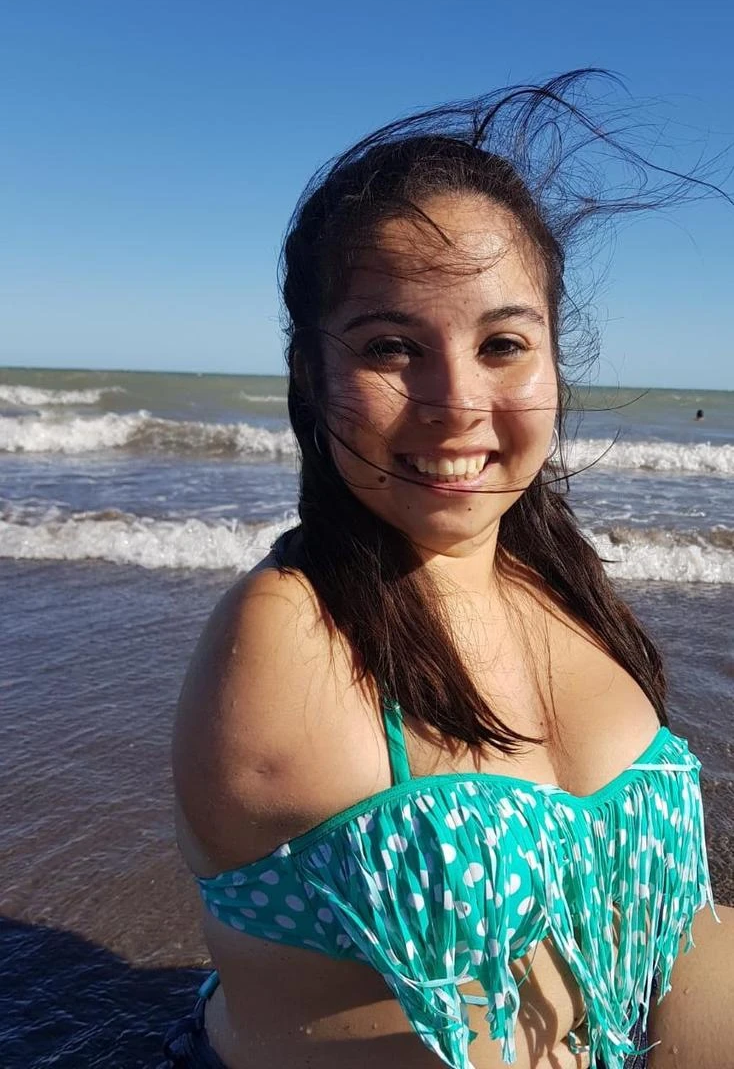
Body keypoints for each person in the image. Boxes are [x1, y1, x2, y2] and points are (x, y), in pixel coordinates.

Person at [165, 72, 732, 1069]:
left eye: (502, 343)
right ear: (311, 376)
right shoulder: (289, 635)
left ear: (552, 361)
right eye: (392, 347)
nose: (458, 402)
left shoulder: (553, 576)